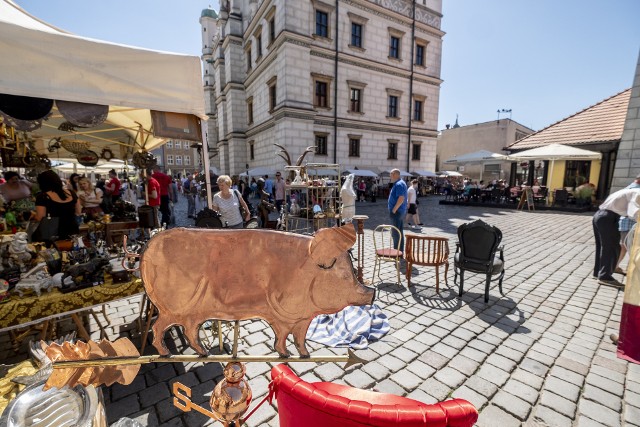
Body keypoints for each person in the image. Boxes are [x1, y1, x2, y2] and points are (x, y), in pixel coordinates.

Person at [593, 187, 640, 288]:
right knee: (612, 247)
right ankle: (605, 277)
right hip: (608, 217)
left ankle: (598, 273)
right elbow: (634, 211)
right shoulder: (638, 193)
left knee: (603, 246)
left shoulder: (630, 190)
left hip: (600, 215)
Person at [34, 170, 81, 240]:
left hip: (52, 231)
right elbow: (78, 212)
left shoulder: (42, 197)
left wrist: (33, 215)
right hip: (71, 228)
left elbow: (40, 217)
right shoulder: (71, 193)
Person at [388, 169, 408, 251]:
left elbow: (401, 198)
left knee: (396, 233)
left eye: (390, 174)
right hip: (398, 211)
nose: (390, 176)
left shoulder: (399, 184)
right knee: (398, 231)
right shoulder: (400, 183)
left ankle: (397, 251)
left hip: (397, 212)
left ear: (394, 174)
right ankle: (399, 250)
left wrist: (394, 210)